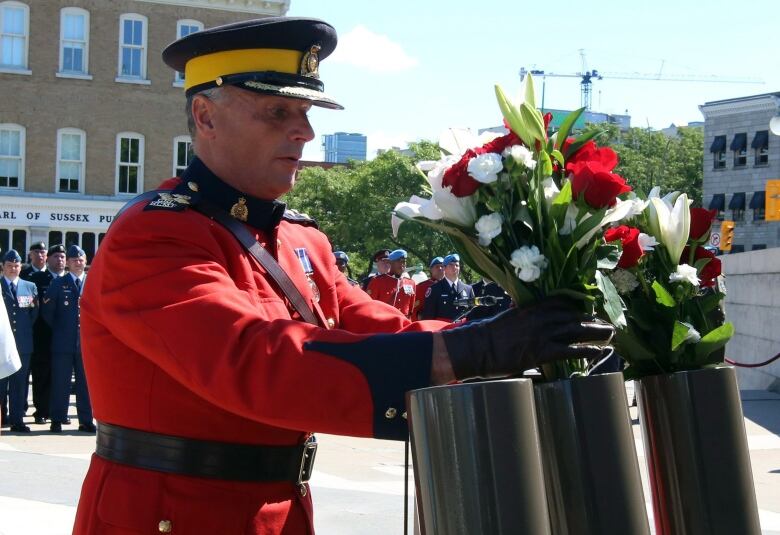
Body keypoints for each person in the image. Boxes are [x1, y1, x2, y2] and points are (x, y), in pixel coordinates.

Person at [71, 17, 614, 535]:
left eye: (307, 113)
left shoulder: (300, 239)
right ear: (206, 117)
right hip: (168, 514)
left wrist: (497, 331)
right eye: (277, 112)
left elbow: (374, 329)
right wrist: (473, 351)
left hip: (277, 508)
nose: (304, 132)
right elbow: (254, 358)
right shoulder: (155, 235)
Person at [41, 245, 94, 433]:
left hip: (86, 344)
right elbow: (47, 312)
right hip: (62, 342)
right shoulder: (58, 283)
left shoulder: (92, 282)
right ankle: (57, 419)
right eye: (74, 260)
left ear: (86, 262)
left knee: (85, 384)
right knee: (60, 382)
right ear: (68, 263)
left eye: (81, 260)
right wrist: (61, 330)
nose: (78, 263)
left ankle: (86, 420)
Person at [27, 244, 66, 424]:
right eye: (56, 256)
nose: (60, 260)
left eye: (62, 257)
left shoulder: (69, 279)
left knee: (61, 376)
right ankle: (41, 411)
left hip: (64, 335)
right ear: (48, 259)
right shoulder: (36, 278)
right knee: (42, 373)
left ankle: (59, 412)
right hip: (42, 335)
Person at [0, 249, 38, 432]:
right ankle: (1, 418)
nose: (13, 269)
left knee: (19, 384)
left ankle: (17, 420)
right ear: (3, 267)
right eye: (9, 266)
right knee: (0, 384)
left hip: (22, 343)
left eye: (16, 265)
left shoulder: (29, 287)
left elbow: (33, 313)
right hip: (1, 343)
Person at [421, 253, 475, 321]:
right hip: (443, 330)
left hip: (463, 329)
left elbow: (473, 315)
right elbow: (428, 317)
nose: (454, 267)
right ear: (444, 268)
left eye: (457, 265)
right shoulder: (435, 289)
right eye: (451, 265)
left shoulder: (468, 289)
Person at [366, 249, 417, 318]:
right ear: (391, 263)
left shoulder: (411, 283)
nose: (402, 264)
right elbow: (370, 307)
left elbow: (411, 310)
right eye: (399, 261)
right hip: (383, 323)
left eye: (404, 262)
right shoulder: (378, 281)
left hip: (403, 325)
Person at [412, 256, 444, 321]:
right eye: (437, 266)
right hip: (428, 323)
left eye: (442, 266)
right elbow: (415, 310)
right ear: (431, 269)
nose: (440, 268)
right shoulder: (422, 287)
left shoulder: (451, 285)